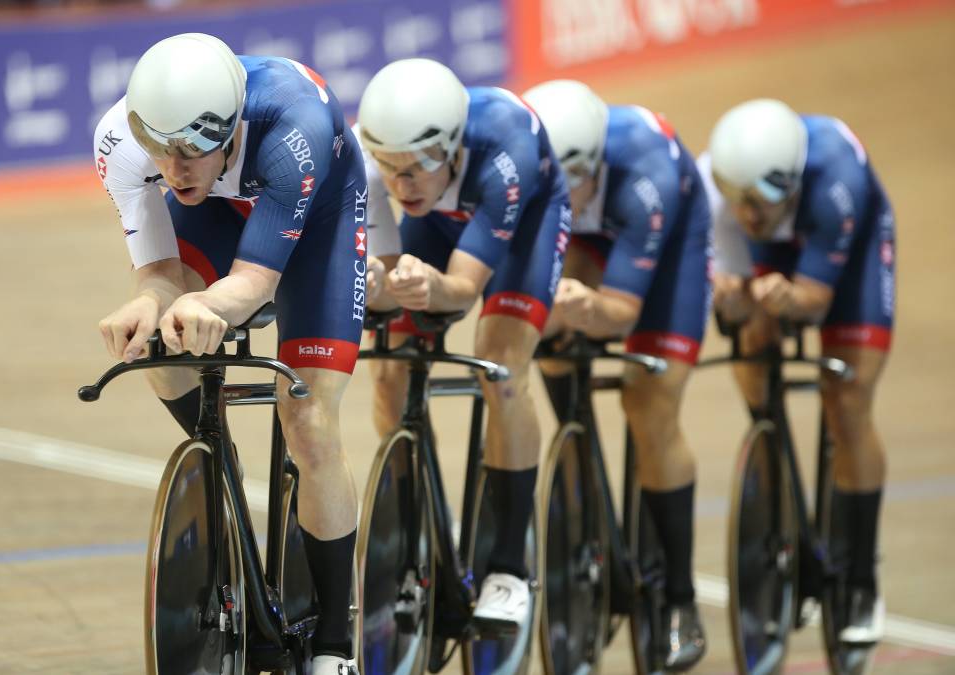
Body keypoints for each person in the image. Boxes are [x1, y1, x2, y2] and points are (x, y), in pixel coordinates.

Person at [92, 33, 365, 674]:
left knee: (308, 420)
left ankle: (333, 642)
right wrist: (149, 306)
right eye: (163, 150)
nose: (174, 168)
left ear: (230, 127)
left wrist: (211, 306)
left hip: (317, 216)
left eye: (192, 150)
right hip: (219, 211)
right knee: (158, 347)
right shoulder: (121, 142)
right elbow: (158, 275)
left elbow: (254, 285)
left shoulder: (292, 124)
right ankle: (220, 466)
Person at [357, 58, 572, 631]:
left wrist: (429, 287)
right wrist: (381, 283)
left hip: (525, 224)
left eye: (417, 170)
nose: (402, 186)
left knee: (500, 369)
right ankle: (425, 527)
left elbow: (459, 292)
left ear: (452, 146)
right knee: (388, 371)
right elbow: (378, 274)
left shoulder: (507, 149)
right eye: (390, 171)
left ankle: (508, 566)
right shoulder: (369, 157)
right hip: (438, 224)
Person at [522, 80, 713, 670]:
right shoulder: (538, 168)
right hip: (587, 232)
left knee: (650, 408)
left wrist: (583, 305)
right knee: (550, 331)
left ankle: (680, 598)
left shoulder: (646, 173)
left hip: (669, 243)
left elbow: (621, 314)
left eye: (567, 183)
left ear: (591, 165)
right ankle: (579, 452)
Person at [702, 98, 895, 645]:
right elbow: (733, 299)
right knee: (751, 342)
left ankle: (860, 579)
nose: (747, 214)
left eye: (758, 202)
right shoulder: (722, 195)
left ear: (787, 180)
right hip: (777, 256)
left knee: (848, 402)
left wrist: (790, 298)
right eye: (737, 202)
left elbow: (813, 302)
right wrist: (734, 298)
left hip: (851, 257)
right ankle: (773, 454)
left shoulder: (838, 178)